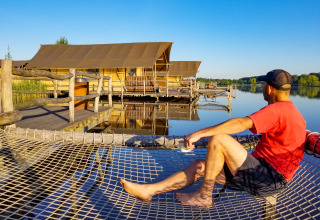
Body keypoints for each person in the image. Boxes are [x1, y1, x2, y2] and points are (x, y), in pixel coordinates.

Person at [120, 69, 306, 207]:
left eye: (263, 85)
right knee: (198, 166)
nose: (262, 88)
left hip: (268, 178)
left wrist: (199, 133)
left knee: (219, 139)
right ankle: (148, 191)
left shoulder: (277, 110)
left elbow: (241, 123)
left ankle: (204, 195)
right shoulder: (294, 113)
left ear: (270, 89)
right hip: (262, 175)